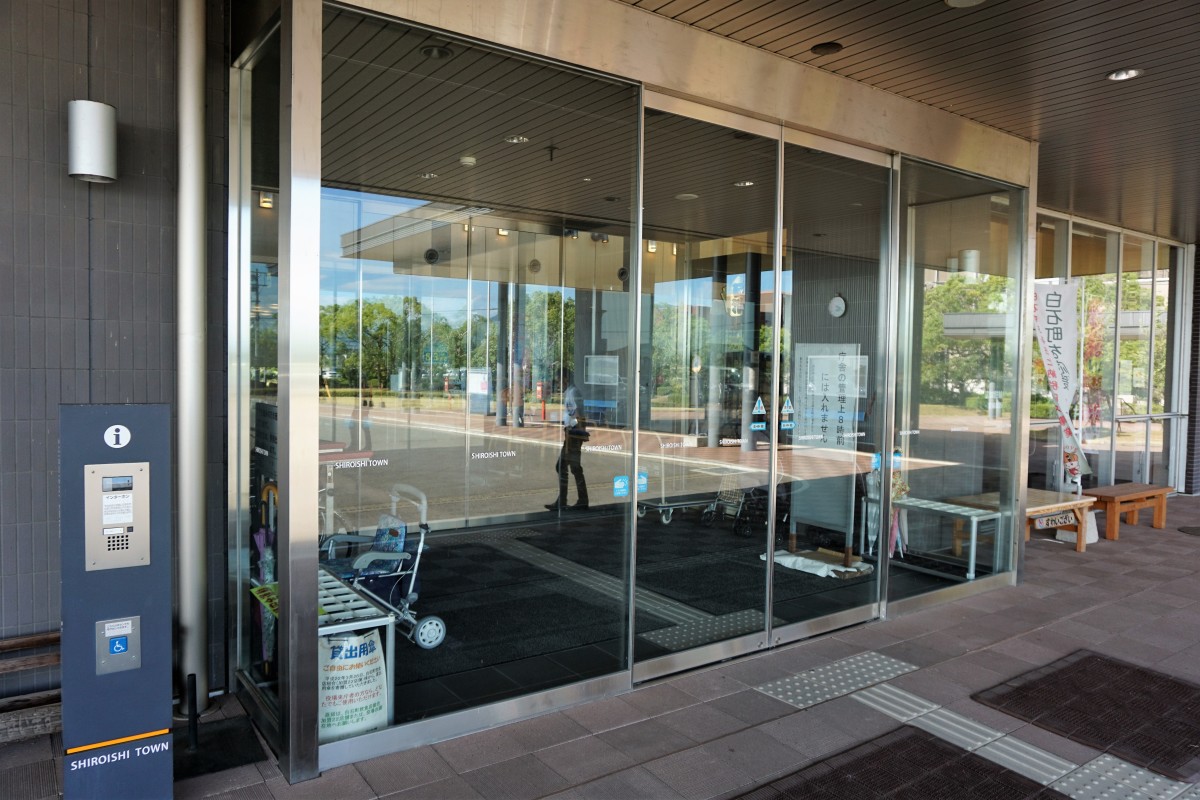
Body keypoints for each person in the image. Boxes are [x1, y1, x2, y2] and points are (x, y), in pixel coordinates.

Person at [546, 373, 589, 511]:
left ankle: (566, 500)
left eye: (559, 380)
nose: (558, 384)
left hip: (573, 433)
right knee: (572, 467)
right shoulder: (571, 392)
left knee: (562, 466)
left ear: (565, 379)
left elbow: (578, 414)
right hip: (572, 432)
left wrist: (575, 430)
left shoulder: (573, 392)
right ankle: (579, 500)